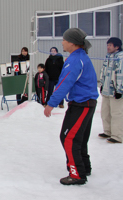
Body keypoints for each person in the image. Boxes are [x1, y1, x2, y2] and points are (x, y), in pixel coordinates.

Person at [44, 28, 99, 185]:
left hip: (82, 104)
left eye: (64, 40)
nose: (62, 42)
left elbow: (64, 83)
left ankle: (77, 174)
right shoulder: (79, 57)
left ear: (73, 43)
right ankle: (84, 167)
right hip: (85, 103)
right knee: (78, 138)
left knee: (68, 137)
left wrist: (51, 103)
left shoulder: (75, 60)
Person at [99, 37, 123, 143]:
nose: (108, 47)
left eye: (110, 45)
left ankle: (118, 136)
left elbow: (120, 74)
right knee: (105, 112)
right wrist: (102, 85)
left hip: (116, 91)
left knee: (116, 113)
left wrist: (120, 90)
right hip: (106, 90)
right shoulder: (108, 57)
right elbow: (103, 72)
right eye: (107, 45)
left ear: (117, 47)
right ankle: (108, 131)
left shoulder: (120, 57)